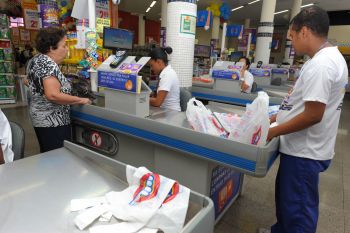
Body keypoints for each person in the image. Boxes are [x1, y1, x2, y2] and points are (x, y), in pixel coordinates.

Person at [259, 6, 348, 233]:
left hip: (304, 153)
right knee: (288, 203)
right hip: (301, 150)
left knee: (298, 211)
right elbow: (300, 103)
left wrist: (274, 131)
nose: (291, 42)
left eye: (292, 36)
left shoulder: (322, 64)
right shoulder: (324, 59)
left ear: (305, 31)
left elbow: (313, 114)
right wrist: (275, 117)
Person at [27, 27, 91, 153]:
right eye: (64, 46)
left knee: (48, 155)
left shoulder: (35, 60)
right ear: (51, 48)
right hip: (53, 122)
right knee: (58, 157)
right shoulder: (48, 64)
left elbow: (27, 81)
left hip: (41, 119)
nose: (67, 49)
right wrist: (80, 100)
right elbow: (53, 95)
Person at [148, 46, 181, 111]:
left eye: (152, 65)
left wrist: (141, 98)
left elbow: (157, 102)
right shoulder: (165, 73)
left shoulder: (167, 75)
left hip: (171, 114)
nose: (151, 69)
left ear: (159, 62)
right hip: (164, 111)